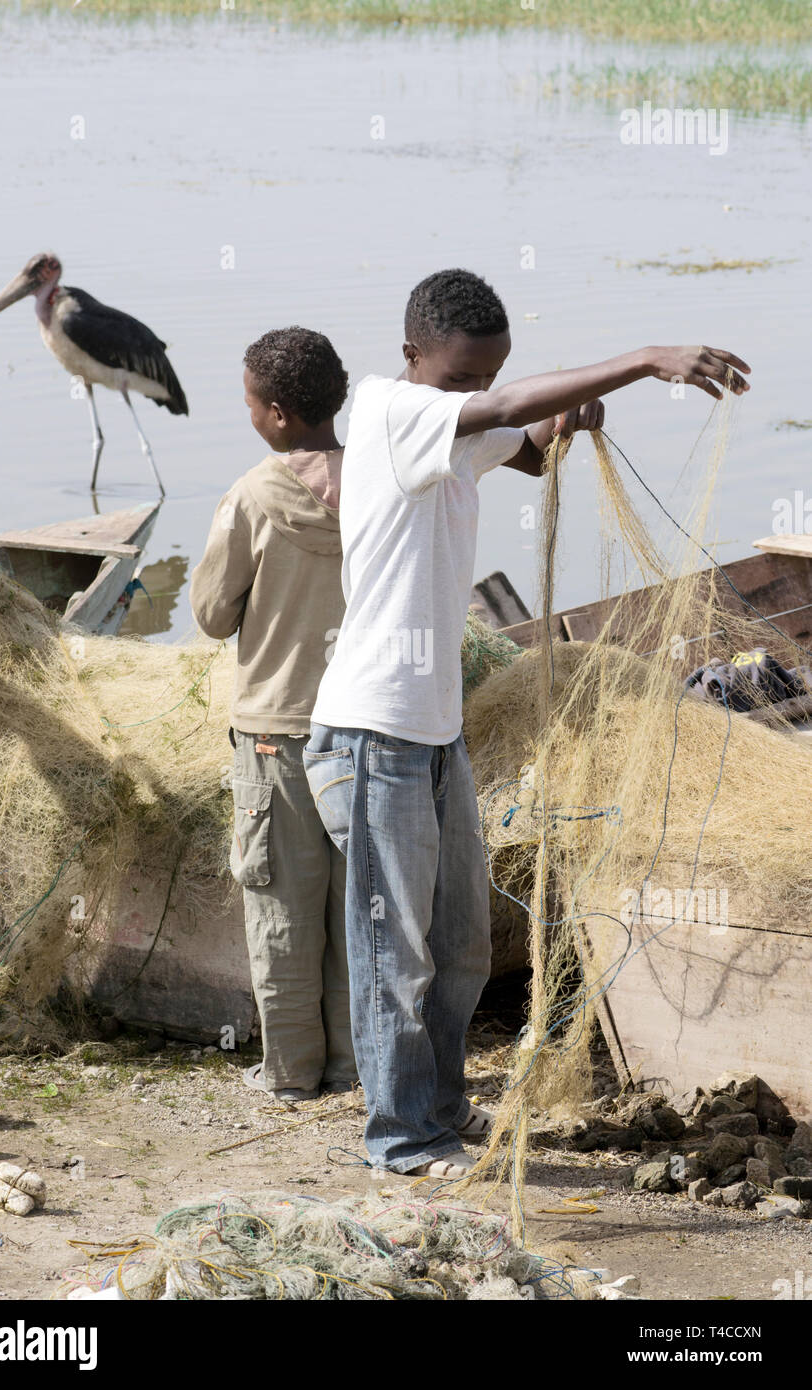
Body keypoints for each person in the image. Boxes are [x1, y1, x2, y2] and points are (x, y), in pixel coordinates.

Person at [304, 267, 750, 1176]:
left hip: (433, 733)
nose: (474, 395)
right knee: (396, 950)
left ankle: (441, 1106)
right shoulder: (390, 410)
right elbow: (499, 408)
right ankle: (399, 1137)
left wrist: (568, 422)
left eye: (485, 377)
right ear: (411, 357)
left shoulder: (446, 430)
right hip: (369, 733)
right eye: (460, 378)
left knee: (462, 941)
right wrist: (643, 360)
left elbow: (526, 443)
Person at [191, 326, 358, 1102]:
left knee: (281, 907)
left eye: (252, 400)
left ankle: (291, 1073)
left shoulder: (255, 495)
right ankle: (358, 1066)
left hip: (274, 736)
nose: (248, 411)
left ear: (280, 414)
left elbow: (212, 615)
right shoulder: (377, 489)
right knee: (361, 910)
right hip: (365, 731)